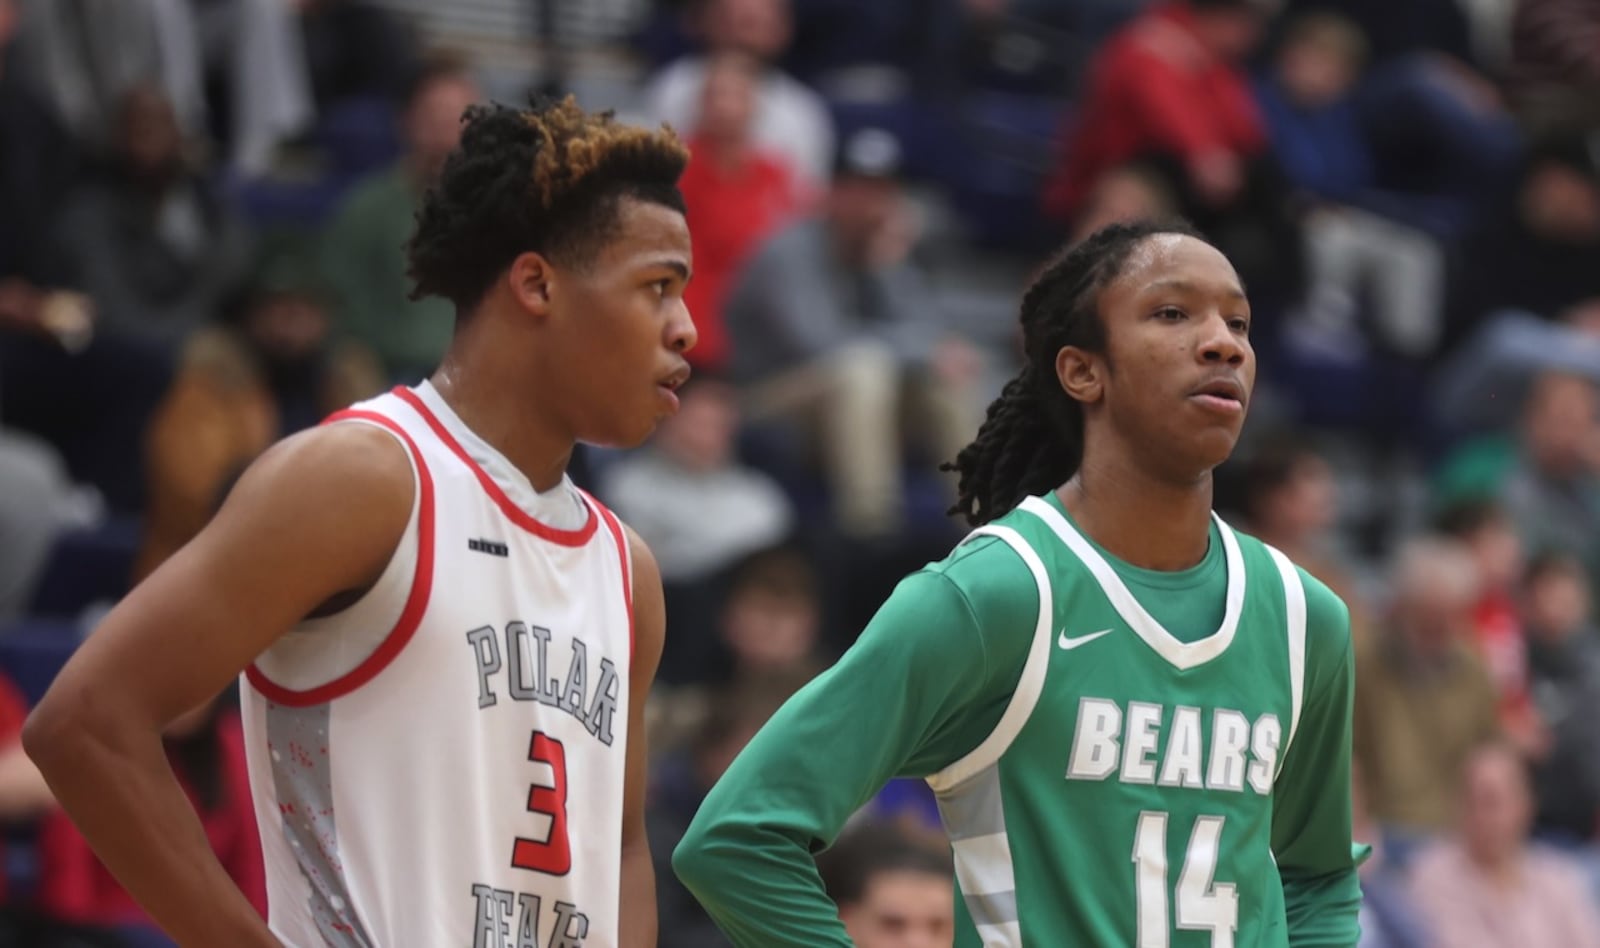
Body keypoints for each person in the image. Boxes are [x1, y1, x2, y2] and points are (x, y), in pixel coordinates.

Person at [23, 95, 695, 947]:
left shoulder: (625, 569)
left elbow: (622, 851)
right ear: (536, 284)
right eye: (657, 288)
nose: (688, 330)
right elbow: (85, 723)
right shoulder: (367, 480)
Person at [674, 220, 1363, 945]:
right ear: (1082, 371)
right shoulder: (998, 593)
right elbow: (735, 841)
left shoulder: (1303, 618)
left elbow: (1317, 878)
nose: (1223, 342)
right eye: (1172, 313)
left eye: (1239, 322)